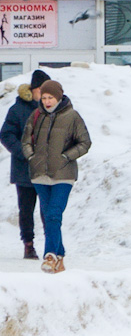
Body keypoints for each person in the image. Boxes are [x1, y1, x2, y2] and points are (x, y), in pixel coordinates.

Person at [22, 79, 91, 274]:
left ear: (59, 97)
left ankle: (50, 256)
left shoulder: (72, 117)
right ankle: (59, 257)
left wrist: (66, 157)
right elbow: (25, 141)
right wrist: (32, 157)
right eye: (44, 97)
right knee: (48, 217)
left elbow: (85, 142)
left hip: (63, 174)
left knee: (53, 213)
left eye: (50, 97)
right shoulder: (36, 116)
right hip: (39, 175)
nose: (47, 101)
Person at [2, 70, 49, 260]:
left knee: (48, 209)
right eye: (42, 90)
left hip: (47, 170)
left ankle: (51, 245)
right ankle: (28, 245)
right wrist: (23, 153)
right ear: (34, 89)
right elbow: (5, 134)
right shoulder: (18, 109)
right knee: (26, 210)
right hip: (25, 170)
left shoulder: (54, 108)